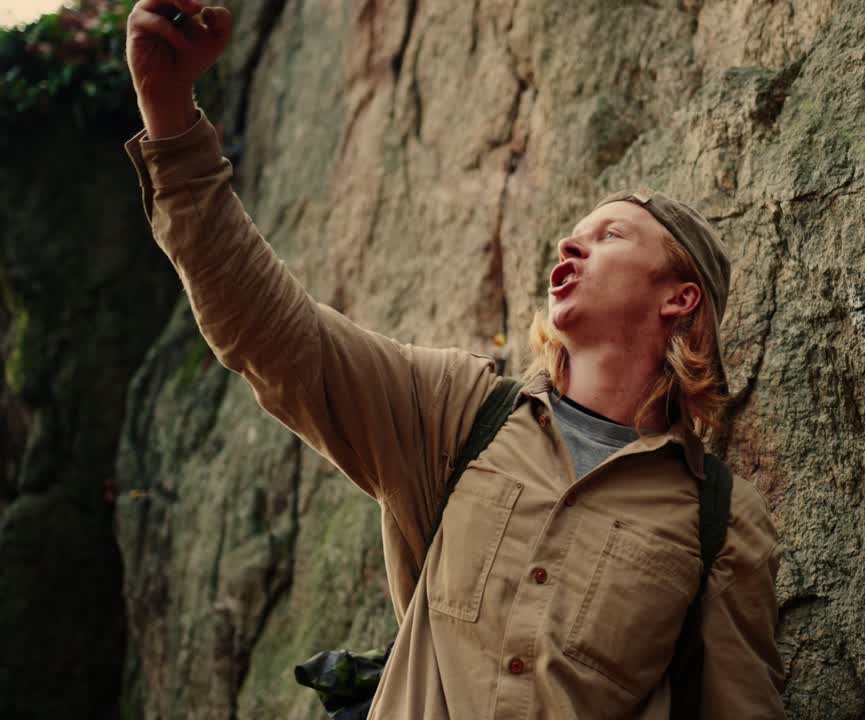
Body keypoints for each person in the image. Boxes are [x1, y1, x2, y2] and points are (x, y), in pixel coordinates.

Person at [122, 1, 786, 718]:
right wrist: (171, 117)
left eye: (611, 235)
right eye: (573, 235)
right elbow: (274, 334)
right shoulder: (456, 414)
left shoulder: (719, 522)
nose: (571, 246)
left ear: (679, 299)